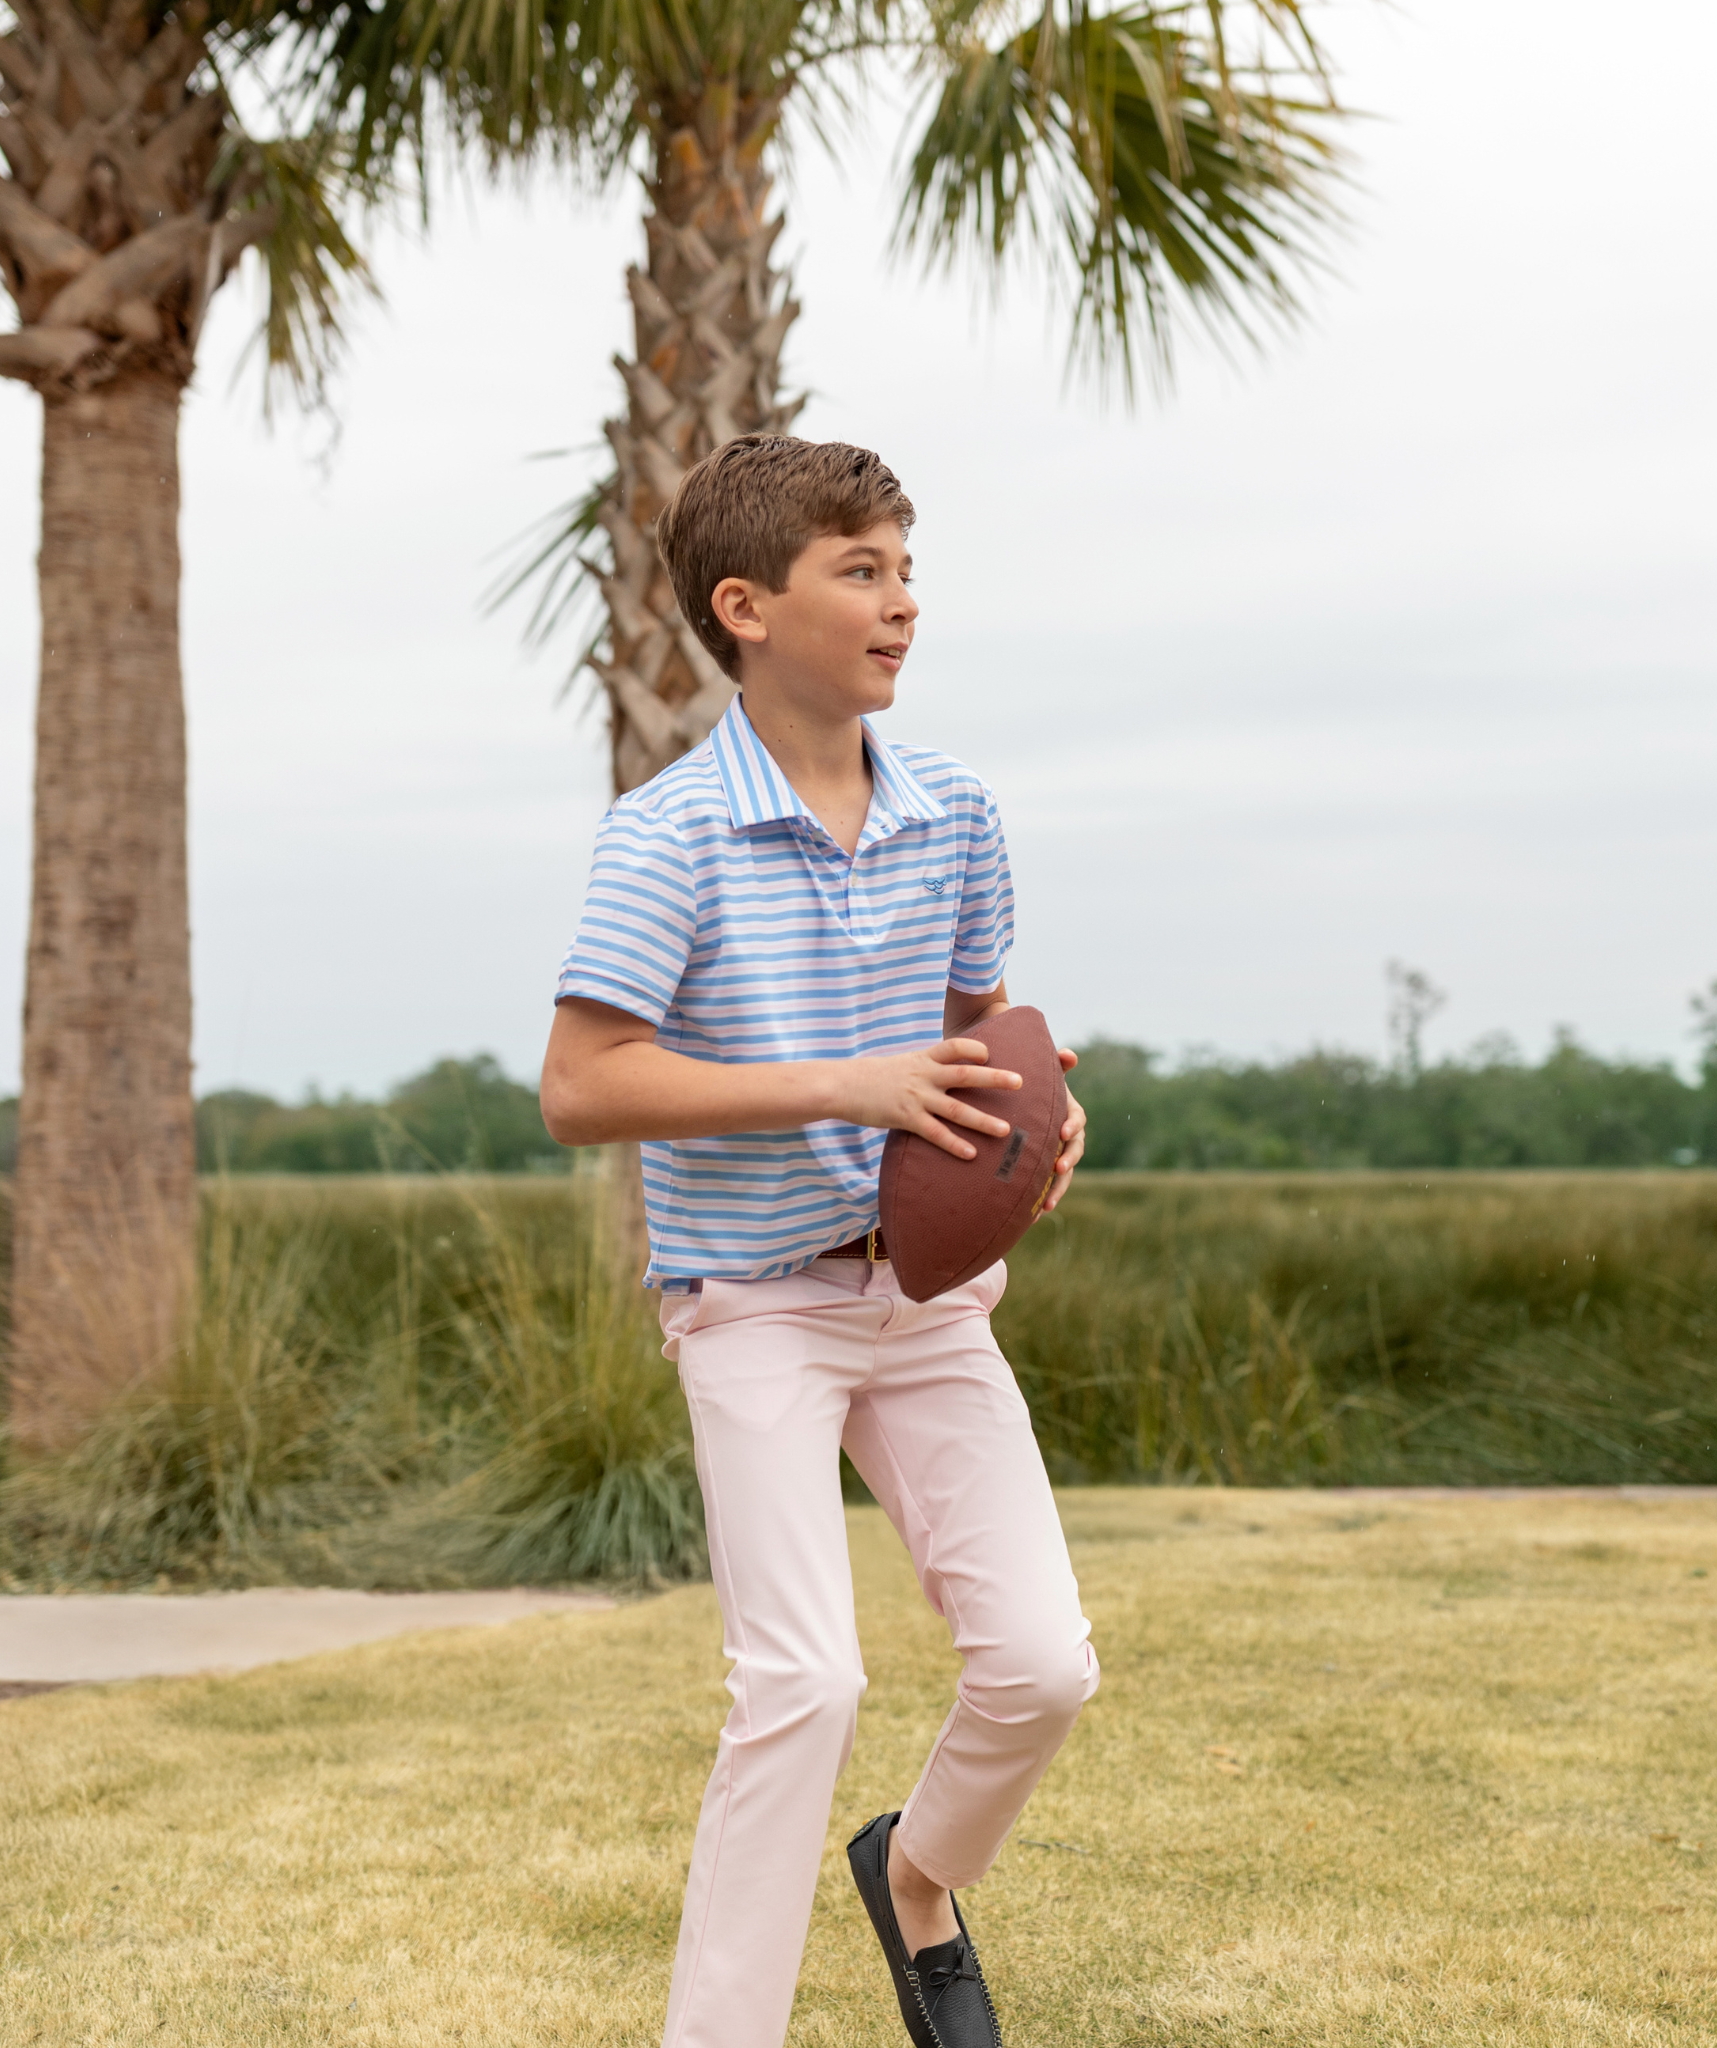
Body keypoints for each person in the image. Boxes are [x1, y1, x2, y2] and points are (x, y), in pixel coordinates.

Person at [541, 435, 1098, 2048]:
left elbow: (984, 1030)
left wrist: (1046, 1123)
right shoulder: (667, 838)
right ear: (748, 608)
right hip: (753, 1307)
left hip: (925, 1301)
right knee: (804, 1686)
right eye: (860, 571)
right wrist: (841, 1082)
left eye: (906, 569)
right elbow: (584, 1085)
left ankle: (916, 1877)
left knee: (1044, 1667)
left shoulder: (959, 813)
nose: (902, 604)